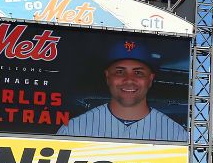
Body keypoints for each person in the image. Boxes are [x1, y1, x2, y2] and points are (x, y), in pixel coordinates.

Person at [58, 39, 188, 141]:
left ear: (150, 79)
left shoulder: (176, 134)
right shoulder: (74, 129)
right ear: (108, 76)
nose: (129, 80)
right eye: (120, 72)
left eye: (138, 73)